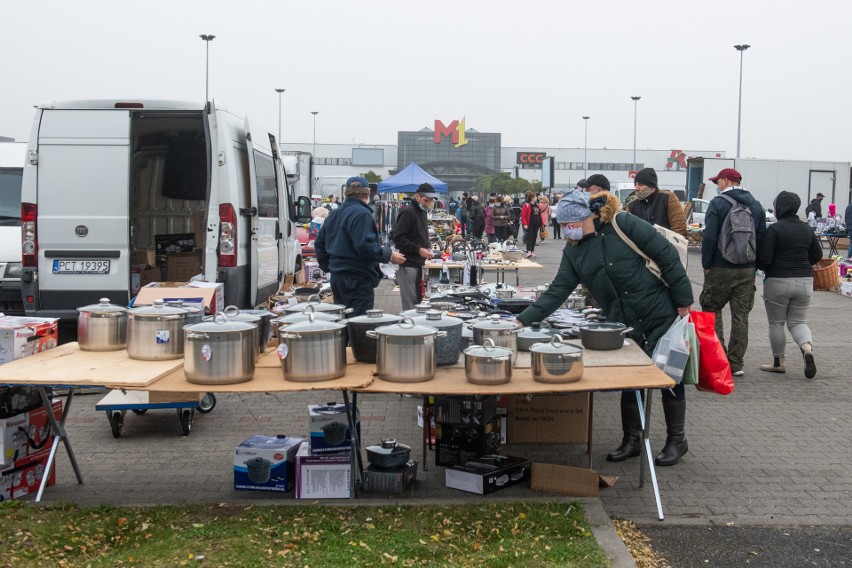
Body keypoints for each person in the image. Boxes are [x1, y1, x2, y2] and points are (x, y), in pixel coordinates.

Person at [517, 189, 693, 466]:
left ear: (588, 216)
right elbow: (558, 290)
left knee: (670, 375)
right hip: (623, 322)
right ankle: (632, 439)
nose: (566, 231)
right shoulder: (573, 250)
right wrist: (522, 320)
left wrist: (683, 302)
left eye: (569, 225)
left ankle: (676, 440)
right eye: (562, 226)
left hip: (660, 312)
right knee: (630, 378)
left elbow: (666, 255)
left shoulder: (623, 224)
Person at [700, 168, 767, 376]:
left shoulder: (718, 203)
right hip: (747, 269)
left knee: (711, 310)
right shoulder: (756, 206)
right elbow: (762, 238)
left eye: (718, 181)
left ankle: (718, 360)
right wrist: (756, 265)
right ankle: (736, 364)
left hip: (720, 267)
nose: (716, 185)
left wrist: (706, 263)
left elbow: (710, 237)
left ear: (726, 181)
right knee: (741, 317)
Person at [315, 176, 405, 317]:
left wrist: (329, 267)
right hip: (357, 278)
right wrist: (389, 255)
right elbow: (365, 247)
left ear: (346, 193)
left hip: (338, 278)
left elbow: (319, 244)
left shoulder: (334, 214)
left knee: (342, 321)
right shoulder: (362, 214)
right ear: (367, 193)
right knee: (359, 324)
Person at [756, 191, 822, 378]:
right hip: (804, 281)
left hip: (778, 280)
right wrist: (802, 263)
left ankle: (778, 362)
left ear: (779, 208)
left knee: (776, 323)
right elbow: (817, 255)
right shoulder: (806, 229)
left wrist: (768, 266)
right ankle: (807, 348)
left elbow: (764, 259)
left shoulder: (775, 230)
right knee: (798, 322)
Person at [393, 184, 436, 312]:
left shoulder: (421, 211)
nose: (428, 204)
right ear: (417, 196)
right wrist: (418, 249)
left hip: (417, 263)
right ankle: (409, 329)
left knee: (417, 300)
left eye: (430, 201)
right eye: (425, 201)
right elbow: (398, 239)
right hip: (408, 264)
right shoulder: (408, 211)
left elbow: (419, 234)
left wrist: (427, 247)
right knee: (410, 303)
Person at [627, 168, 687, 237]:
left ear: (652, 186)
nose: (636, 188)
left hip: (666, 245)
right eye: (635, 184)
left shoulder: (668, 198)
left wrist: (671, 246)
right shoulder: (632, 206)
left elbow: (679, 229)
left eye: (640, 184)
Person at [520, 191, 542, 258]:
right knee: (529, 237)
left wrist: (541, 223)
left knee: (534, 238)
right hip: (530, 224)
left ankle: (532, 251)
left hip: (536, 224)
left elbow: (539, 215)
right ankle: (528, 251)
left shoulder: (537, 205)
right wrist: (525, 224)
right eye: (535, 197)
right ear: (532, 198)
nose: (536, 198)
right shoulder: (526, 205)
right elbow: (523, 215)